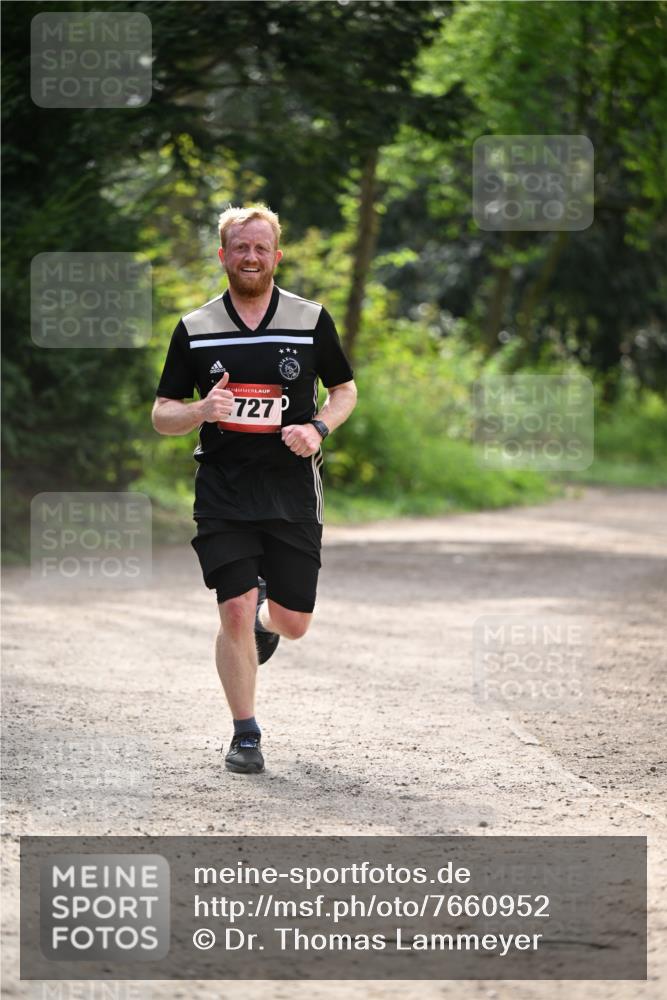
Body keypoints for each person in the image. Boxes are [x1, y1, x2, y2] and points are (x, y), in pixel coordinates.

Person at [152, 204, 357, 774]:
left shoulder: (309, 319)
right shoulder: (195, 328)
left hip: (291, 489)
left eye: (260, 248)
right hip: (224, 490)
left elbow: (344, 390)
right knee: (234, 609)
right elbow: (162, 413)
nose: (250, 257)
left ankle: (270, 620)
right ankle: (246, 734)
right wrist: (201, 410)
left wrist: (318, 429)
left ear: (276, 256)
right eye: (240, 247)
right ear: (223, 255)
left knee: (293, 622)